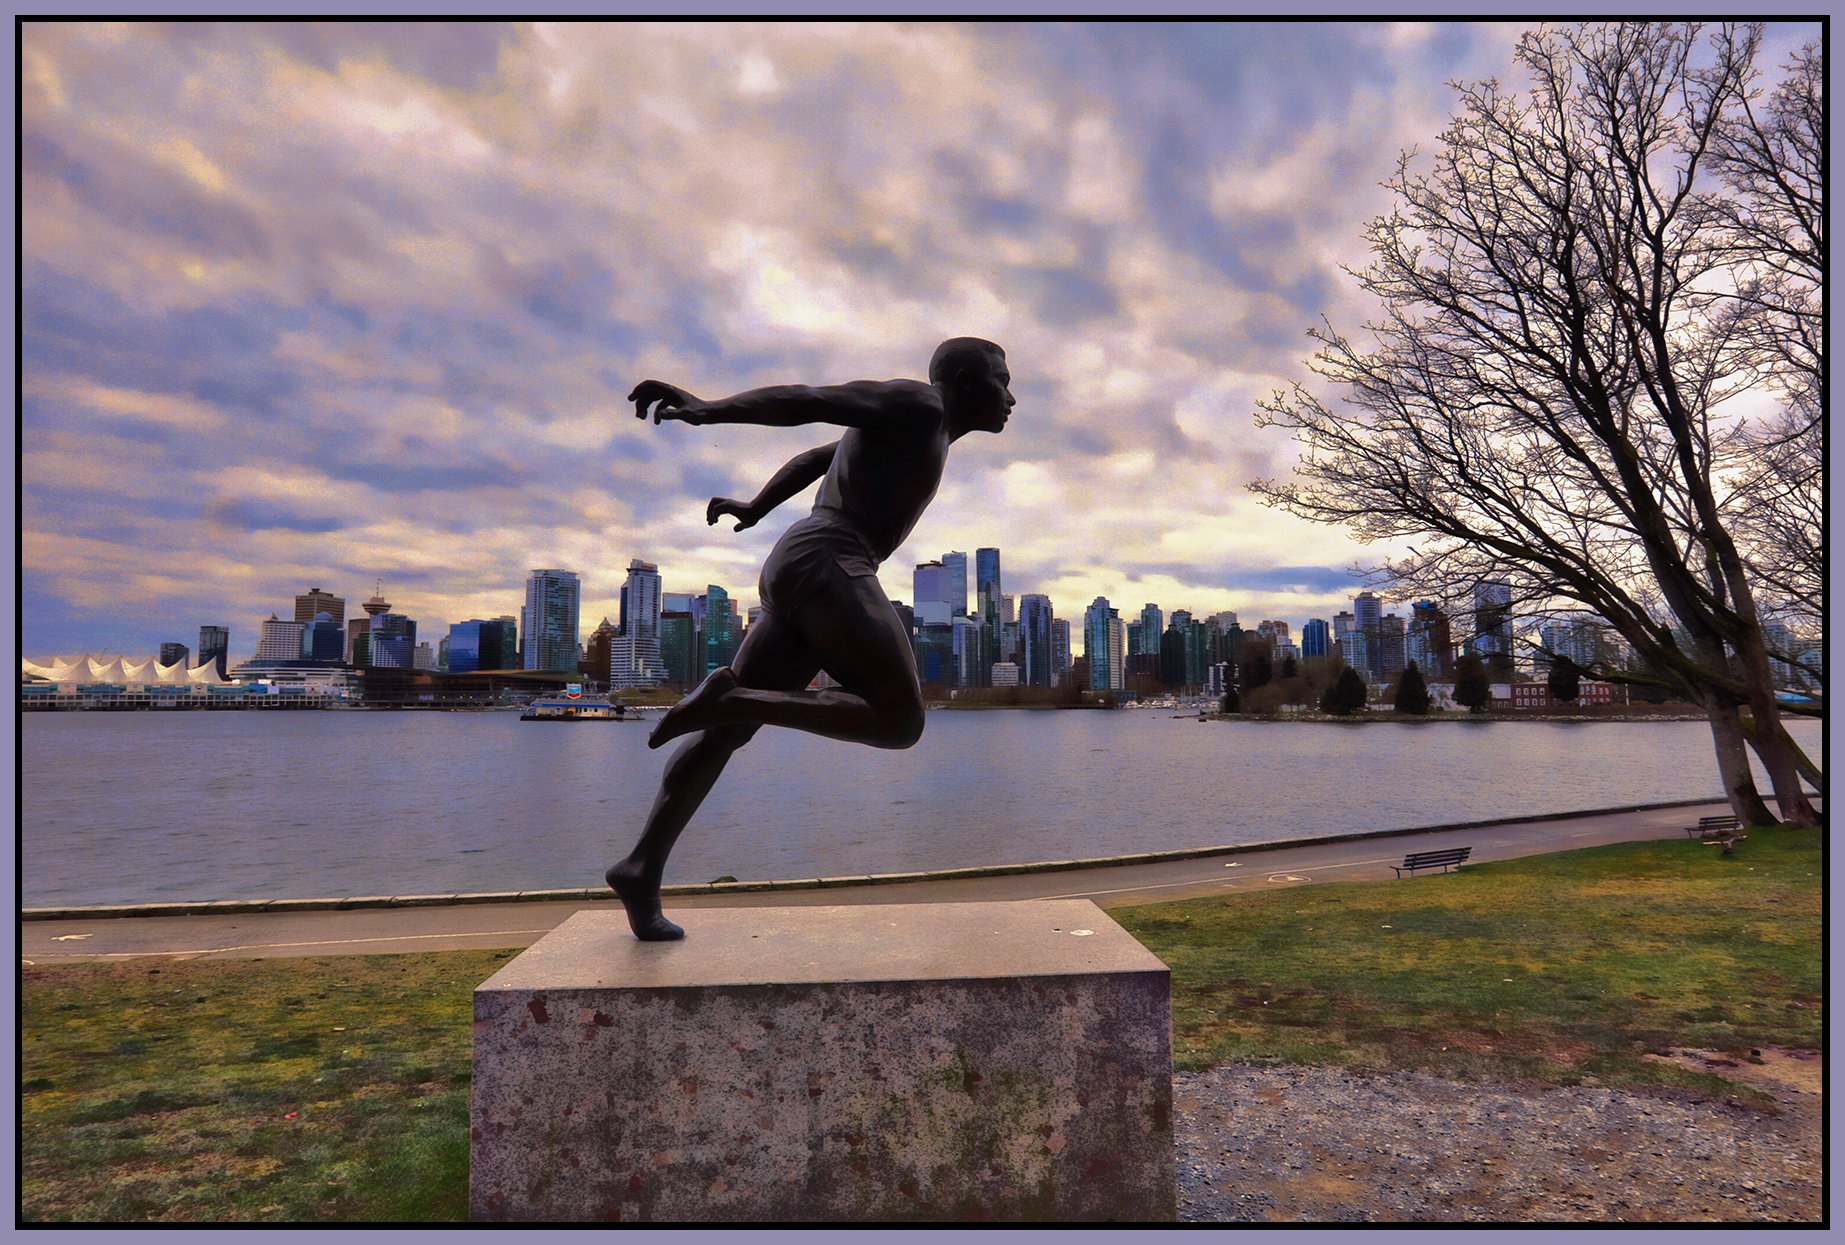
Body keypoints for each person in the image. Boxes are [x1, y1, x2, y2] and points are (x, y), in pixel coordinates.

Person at [607, 338, 1014, 940]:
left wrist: (756, 506)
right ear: (963, 379)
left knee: (724, 737)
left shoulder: (923, 431)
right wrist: (704, 409)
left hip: (801, 560)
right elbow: (809, 400)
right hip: (833, 559)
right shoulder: (920, 405)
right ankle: (731, 698)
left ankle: (641, 868)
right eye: (1001, 380)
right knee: (899, 722)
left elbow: (814, 458)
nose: (1011, 396)